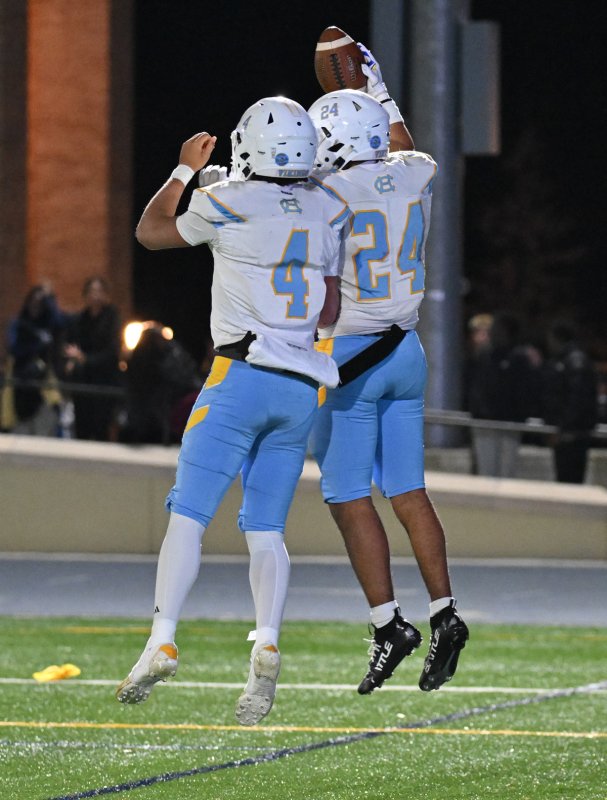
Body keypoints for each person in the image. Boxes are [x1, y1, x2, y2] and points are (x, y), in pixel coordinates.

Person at [116, 97, 349, 726]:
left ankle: (161, 637)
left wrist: (184, 172)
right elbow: (329, 310)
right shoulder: (330, 208)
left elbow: (152, 232)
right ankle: (266, 643)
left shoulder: (231, 200)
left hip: (238, 377)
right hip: (301, 387)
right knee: (266, 528)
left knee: (188, 515)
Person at [306, 45, 469, 695]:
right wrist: (377, 86)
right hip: (405, 352)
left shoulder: (320, 193)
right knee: (407, 491)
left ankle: (388, 625)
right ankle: (445, 613)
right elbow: (398, 142)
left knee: (346, 497)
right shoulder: (412, 172)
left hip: (351, 357)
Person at [466, 312, 542, 477]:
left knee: (507, 472)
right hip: (485, 422)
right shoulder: (484, 356)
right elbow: (476, 388)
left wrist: (520, 415)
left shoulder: (520, 358)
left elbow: (524, 391)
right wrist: (478, 412)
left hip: (510, 423)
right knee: (486, 471)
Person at [62, 276, 122, 441]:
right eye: (91, 291)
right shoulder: (80, 319)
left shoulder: (111, 317)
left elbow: (112, 352)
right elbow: (71, 345)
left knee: (101, 427)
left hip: (104, 381)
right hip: (83, 381)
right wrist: (72, 360)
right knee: (82, 427)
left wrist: (84, 358)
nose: (95, 296)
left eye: (99, 291)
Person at [542, 321, 598, 483]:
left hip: (572, 433)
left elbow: (577, 400)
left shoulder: (573, 361)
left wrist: (564, 429)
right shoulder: (570, 360)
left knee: (570, 478)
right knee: (566, 477)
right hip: (569, 431)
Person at [7, 284, 66, 436]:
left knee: (48, 418)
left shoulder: (49, 324)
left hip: (44, 380)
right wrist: (37, 344)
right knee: (22, 422)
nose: (35, 307)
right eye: (33, 302)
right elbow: (13, 348)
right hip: (21, 378)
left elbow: (59, 322)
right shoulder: (19, 322)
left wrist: (49, 300)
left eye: (40, 304)